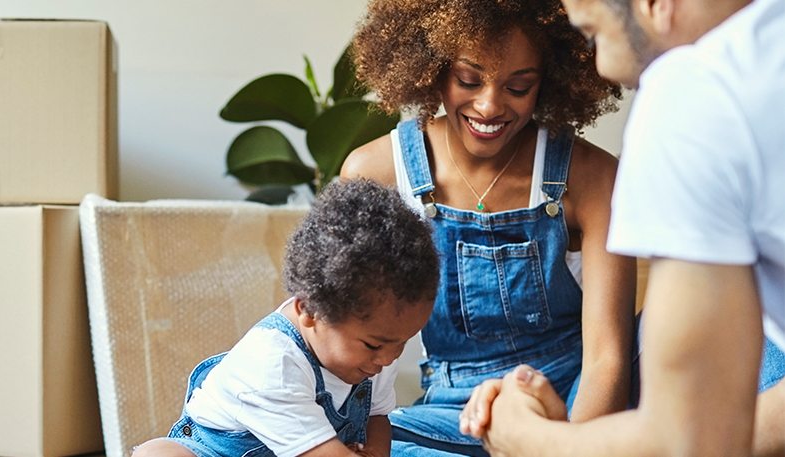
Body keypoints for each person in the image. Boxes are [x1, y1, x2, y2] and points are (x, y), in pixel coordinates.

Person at [459, 0, 785, 456]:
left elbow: (691, 438)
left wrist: (527, 438)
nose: (603, 68)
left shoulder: (696, 89)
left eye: (593, 36)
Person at [338, 0, 636, 455]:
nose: (489, 105)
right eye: (467, 80)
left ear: (548, 82)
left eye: (518, 86)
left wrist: (567, 446)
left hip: (575, 396)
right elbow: (344, 340)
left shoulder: (592, 178)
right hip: (451, 415)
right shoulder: (375, 173)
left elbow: (607, 358)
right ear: (431, 65)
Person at [131, 179, 439, 457]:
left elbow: (377, 416)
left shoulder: (381, 350)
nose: (388, 359)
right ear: (310, 310)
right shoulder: (271, 364)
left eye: (402, 342)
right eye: (374, 345)